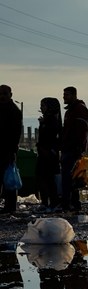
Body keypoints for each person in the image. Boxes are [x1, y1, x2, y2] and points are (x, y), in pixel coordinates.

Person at [61, 86, 88, 212]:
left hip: (73, 149)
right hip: (68, 148)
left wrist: (78, 147)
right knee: (70, 177)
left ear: (74, 95)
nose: (64, 97)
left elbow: (81, 130)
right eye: (64, 94)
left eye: (67, 95)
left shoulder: (79, 110)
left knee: (70, 177)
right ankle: (71, 203)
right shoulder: (70, 111)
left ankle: (70, 204)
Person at [36, 97, 63, 212]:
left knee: (47, 178)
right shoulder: (48, 120)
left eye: (43, 106)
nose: (41, 108)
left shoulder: (51, 121)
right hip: (46, 153)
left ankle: (50, 202)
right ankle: (49, 202)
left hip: (48, 154)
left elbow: (50, 138)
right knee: (45, 178)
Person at [0, 85, 23, 214]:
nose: (2, 96)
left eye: (5, 93)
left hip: (8, 150)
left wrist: (12, 150)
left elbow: (16, 133)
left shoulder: (14, 111)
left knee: (8, 179)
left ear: (10, 95)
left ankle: (10, 207)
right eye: (0, 94)